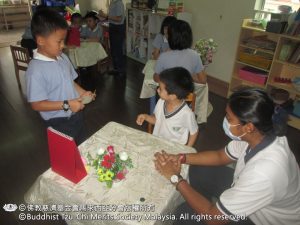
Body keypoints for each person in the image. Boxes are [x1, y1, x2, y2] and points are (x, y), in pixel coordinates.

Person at [154, 88, 300, 225]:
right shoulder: (260, 134)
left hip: (261, 220)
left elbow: (214, 219)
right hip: (253, 193)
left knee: (182, 215)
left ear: (248, 127)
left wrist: (175, 178)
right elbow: (220, 156)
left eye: (229, 118)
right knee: (198, 170)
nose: (225, 120)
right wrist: (181, 157)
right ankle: (203, 206)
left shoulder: (264, 172)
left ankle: (205, 209)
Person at [25, 8, 95, 145]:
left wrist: (83, 92)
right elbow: (36, 104)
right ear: (41, 40)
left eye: (64, 40)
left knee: (84, 148)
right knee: (66, 157)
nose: (63, 46)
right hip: (58, 123)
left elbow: (70, 81)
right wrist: (67, 104)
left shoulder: (62, 58)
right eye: (59, 41)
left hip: (76, 115)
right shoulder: (35, 70)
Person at [153, 19, 209, 124]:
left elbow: (156, 78)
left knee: (159, 89)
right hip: (185, 97)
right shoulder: (194, 55)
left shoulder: (164, 56)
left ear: (170, 37)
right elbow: (203, 80)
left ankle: (160, 118)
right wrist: (188, 76)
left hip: (167, 97)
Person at [137, 67, 198, 147]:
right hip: (157, 143)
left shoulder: (187, 114)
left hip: (174, 149)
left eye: (161, 89)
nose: (157, 90)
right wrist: (146, 117)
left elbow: (194, 132)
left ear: (172, 96)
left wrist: (187, 150)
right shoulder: (161, 102)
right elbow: (157, 120)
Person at [98, 0, 126, 78]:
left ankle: (121, 71)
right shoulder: (113, 2)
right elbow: (113, 16)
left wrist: (105, 15)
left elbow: (119, 19)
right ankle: (116, 69)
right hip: (113, 26)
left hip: (117, 28)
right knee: (113, 49)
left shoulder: (119, 3)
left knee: (118, 50)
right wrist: (103, 16)